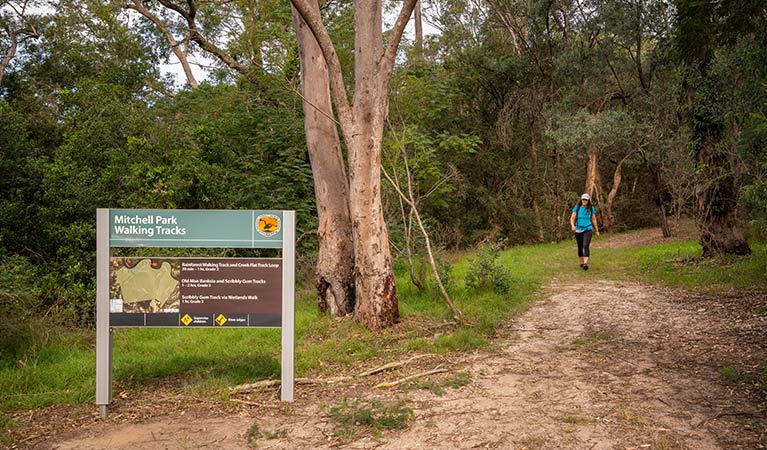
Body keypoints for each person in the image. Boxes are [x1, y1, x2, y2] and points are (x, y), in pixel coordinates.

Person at [570, 193, 600, 270]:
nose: (584, 201)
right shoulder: (577, 208)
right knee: (580, 247)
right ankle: (582, 262)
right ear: (581, 200)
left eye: (586, 200)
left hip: (588, 229)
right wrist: (573, 225)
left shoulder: (591, 208)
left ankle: (585, 263)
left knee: (585, 245)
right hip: (578, 229)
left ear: (588, 201)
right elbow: (572, 218)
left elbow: (594, 219)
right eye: (583, 199)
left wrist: (596, 230)